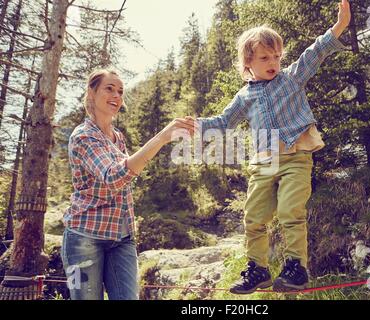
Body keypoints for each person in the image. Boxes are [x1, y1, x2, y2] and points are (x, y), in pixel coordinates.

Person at [195, 0, 351, 293]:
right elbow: (223, 121)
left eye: (277, 56)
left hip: (296, 157)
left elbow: (313, 55)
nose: (273, 63)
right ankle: (258, 270)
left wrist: (339, 26)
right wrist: (195, 126)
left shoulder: (290, 78)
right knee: (253, 217)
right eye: (265, 58)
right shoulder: (244, 96)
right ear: (248, 64)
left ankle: (295, 268)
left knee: (292, 210)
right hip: (263, 163)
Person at [61, 69, 196, 300]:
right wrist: (162, 137)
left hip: (122, 238)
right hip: (84, 238)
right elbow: (114, 177)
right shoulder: (82, 136)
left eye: (121, 91)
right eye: (109, 88)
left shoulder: (118, 137)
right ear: (92, 93)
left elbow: (125, 180)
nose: (116, 95)